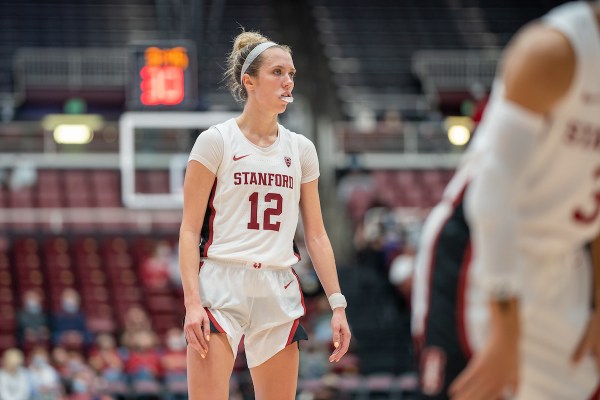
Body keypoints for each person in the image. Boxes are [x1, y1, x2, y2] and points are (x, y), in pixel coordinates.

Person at [412, 2, 600, 399]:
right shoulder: (554, 52)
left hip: (565, 260)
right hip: (483, 253)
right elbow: (491, 196)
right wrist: (505, 332)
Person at [179, 30, 351, 399]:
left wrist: (337, 304)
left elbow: (317, 235)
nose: (288, 80)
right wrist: (192, 303)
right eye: (277, 72)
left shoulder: (301, 149)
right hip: (222, 284)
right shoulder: (215, 141)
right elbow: (189, 230)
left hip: (277, 285)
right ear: (249, 81)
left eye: (291, 74)